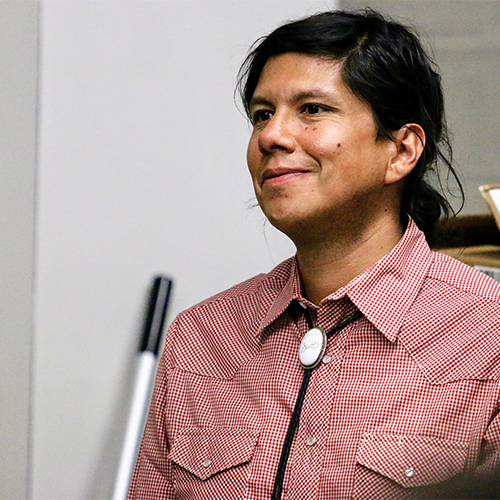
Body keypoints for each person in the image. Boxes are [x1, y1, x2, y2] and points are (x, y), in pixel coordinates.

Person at [128, 9, 500, 500]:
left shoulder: (484, 336)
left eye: (312, 109)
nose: (271, 136)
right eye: (262, 114)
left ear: (401, 151)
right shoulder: (201, 339)